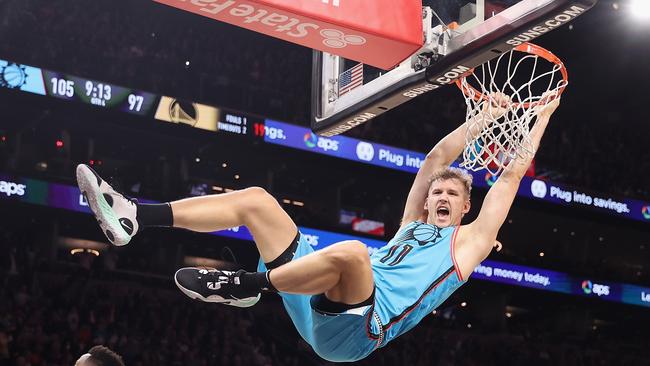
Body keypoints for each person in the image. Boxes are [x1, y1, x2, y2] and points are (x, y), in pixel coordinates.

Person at [76, 94, 560, 362]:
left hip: (353, 334)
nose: (439, 195)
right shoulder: (412, 224)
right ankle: (137, 216)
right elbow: (436, 159)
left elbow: (513, 174)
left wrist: (540, 117)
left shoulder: (469, 243)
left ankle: (243, 285)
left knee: (351, 253)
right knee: (257, 203)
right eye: (437, 191)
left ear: (465, 207)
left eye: (451, 194)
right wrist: (484, 118)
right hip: (315, 296)